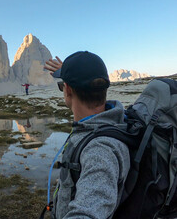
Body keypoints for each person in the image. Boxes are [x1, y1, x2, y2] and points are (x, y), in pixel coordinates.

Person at [42, 51, 131, 218]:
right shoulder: (116, 121)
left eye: (62, 85)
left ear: (67, 90)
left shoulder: (100, 151)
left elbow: (87, 212)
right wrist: (72, 70)